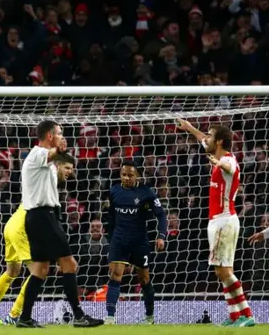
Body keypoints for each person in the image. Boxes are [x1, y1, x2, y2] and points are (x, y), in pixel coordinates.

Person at [17, 120, 103, 328]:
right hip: (42, 216)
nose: (62, 135)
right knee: (69, 264)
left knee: (41, 269)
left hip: (41, 217)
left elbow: (53, 167)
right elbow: (50, 155)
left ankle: (25, 317)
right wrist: (59, 149)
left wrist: (63, 165)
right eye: (59, 133)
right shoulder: (38, 153)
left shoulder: (41, 162)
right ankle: (79, 316)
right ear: (49, 136)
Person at [0, 153, 76, 325]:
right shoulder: (49, 177)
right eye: (67, 168)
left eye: (72, 169)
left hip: (12, 225)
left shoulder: (45, 181)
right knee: (37, 272)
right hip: (21, 228)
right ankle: (15, 314)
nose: (70, 172)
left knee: (12, 272)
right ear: (57, 166)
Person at [177, 119, 255, 327]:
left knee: (224, 271)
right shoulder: (216, 151)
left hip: (224, 221)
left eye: (210, 136)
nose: (206, 138)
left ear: (219, 142)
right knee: (221, 271)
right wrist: (190, 128)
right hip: (219, 221)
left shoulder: (229, 160)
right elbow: (202, 140)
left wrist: (218, 163)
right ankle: (235, 316)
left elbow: (229, 167)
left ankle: (246, 314)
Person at [104, 161, 166, 325]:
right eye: (123, 174)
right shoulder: (114, 191)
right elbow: (110, 217)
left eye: (130, 175)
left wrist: (161, 236)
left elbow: (161, 214)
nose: (126, 178)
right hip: (119, 240)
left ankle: (149, 317)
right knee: (115, 276)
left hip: (139, 241)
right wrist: (111, 239)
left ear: (137, 175)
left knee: (144, 279)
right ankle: (110, 317)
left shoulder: (146, 193)